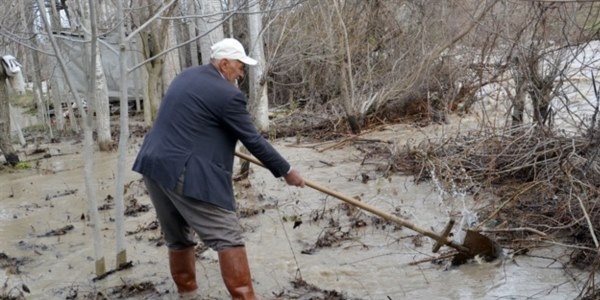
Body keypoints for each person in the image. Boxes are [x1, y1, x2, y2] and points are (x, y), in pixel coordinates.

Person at [132, 38, 305, 300]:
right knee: (228, 237)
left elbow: (190, 122)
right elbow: (254, 140)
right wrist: (287, 171)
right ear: (224, 64)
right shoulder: (228, 95)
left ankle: (187, 295)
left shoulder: (186, 76)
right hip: (183, 170)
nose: (241, 73)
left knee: (178, 238)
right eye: (239, 66)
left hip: (153, 164)